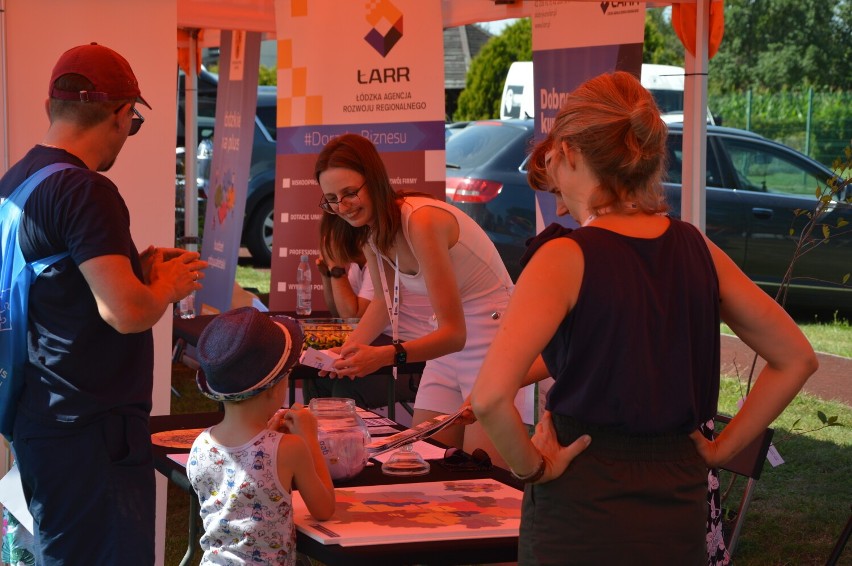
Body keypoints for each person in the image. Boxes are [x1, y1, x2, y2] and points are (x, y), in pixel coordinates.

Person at [469, 71, 818, 565]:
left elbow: (488, 398)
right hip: (676, 510)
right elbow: (796, 358)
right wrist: (722, 450)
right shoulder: (697, 248)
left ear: (568, 151)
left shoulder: (564, 257)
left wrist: (532, 468)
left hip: (580, 508)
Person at [0, 43, 207, 564]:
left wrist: (134, 267)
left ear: (52, 106)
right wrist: (167, 286)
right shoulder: (86, 189)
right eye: (133, 123)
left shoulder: (18, 179)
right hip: (91, 427)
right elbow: (126, 311)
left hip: (41, 414)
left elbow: (57, 282)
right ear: (121, 114)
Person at [314, 133, 534, 464]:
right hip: (448, 350)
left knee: (484, 477)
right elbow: (385, 307)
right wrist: (346, 354)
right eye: (331, 199)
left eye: (349, 193)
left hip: (494, 342)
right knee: (429, 463)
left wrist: (383, 356)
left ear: (373, 180)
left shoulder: (421, 220)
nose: (342, 207)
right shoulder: (372, 231)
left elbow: (454, 334)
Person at [187, 307, 335, 564]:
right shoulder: (290, 448)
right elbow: (324, 509)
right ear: (274, 388)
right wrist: (309, 438)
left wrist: (266, 434)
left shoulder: (200, 445)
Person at [307, 229, 433, 409]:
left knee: (347, 388)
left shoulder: (380, 261)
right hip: (383, 349)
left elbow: (355, 316)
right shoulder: (359, 265)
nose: (328, 246)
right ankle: (319, 435)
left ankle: (345, 436)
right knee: (318, 379)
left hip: (412, 361)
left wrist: (336, 269)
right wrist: (327, 273)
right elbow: (340, 314)